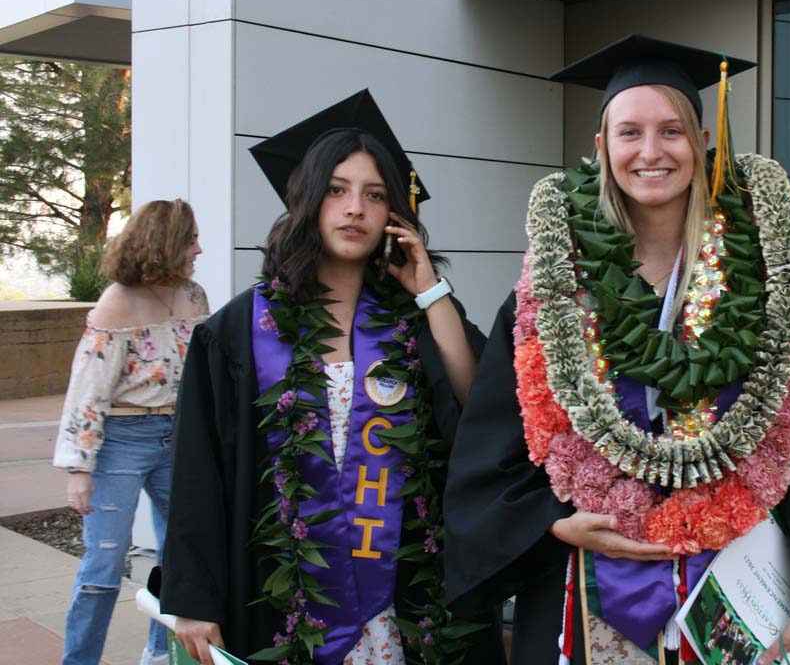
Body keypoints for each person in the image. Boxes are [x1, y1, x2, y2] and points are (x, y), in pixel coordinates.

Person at [444, 36, 790, 665]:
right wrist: (551, 523)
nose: (650, 152)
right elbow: (492, 445)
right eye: (629, 132)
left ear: (700, 141)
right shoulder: (553, 291)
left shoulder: (767, 284)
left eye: (671, 131)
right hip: (583, 592)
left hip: (738, 586)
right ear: (601, 148)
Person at [159, 92, 503, 665]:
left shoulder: (414, 318)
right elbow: (199, 472)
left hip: (405, 594)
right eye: (337, 190)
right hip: (283, 593)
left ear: (394, 213)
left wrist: (431, 293)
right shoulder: (240, 330)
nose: (355, 209)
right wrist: (192, 598)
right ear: (308, 201)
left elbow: (481, 406)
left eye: (374, 195)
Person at [53, 199, 208, 665]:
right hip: (120, 439)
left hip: (177, 435)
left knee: (178, 555)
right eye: (190, 240)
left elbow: (205, 372)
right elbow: (88, 391)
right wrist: (79, 469)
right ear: (166, 244)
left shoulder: (194, 296)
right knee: (102, 566)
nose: (198, 248)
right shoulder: (116, 302)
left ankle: (159, 653)